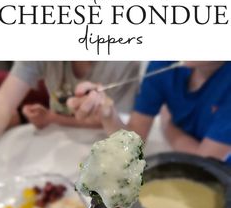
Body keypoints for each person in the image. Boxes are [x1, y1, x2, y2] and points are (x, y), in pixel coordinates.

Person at [67, 61, 231, 160]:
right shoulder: (164, 64)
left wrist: (168, 126)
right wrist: (108, 114)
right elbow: (133, 145)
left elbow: (206, 162)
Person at [0, 61, 141, 137]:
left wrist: (52, 119)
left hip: (105, 147)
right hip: (56, 144)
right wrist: (50, 119)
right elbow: (3, 102)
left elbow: (122, 128)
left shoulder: (126, 63)